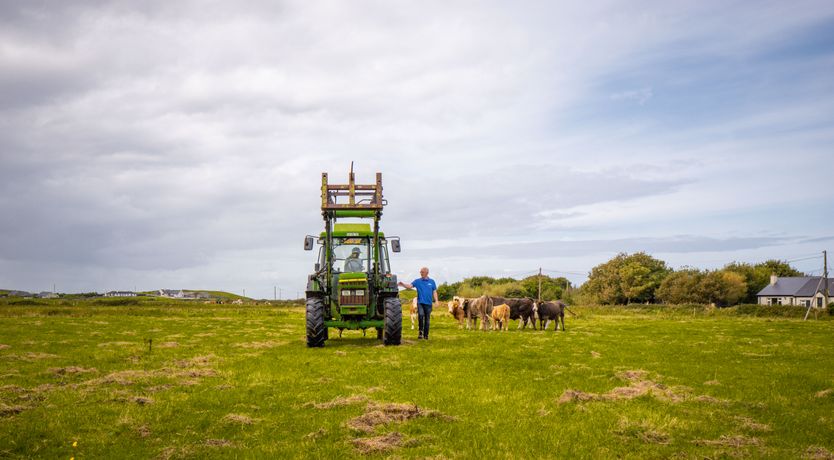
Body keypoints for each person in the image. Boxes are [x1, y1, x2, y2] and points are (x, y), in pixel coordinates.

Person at [398, 267, 438, 340]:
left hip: (429, 304)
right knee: (420, 315)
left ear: (426, 273)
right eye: (420, 272)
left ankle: (426, 335)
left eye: (422, 272)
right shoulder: (417, 281)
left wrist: (436, 301)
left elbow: (434, 292)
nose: (421, 273)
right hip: (420, 303)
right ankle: (420, 332)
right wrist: (403, 284)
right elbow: (410, 286)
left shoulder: (432, 281)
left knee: (427, 320)